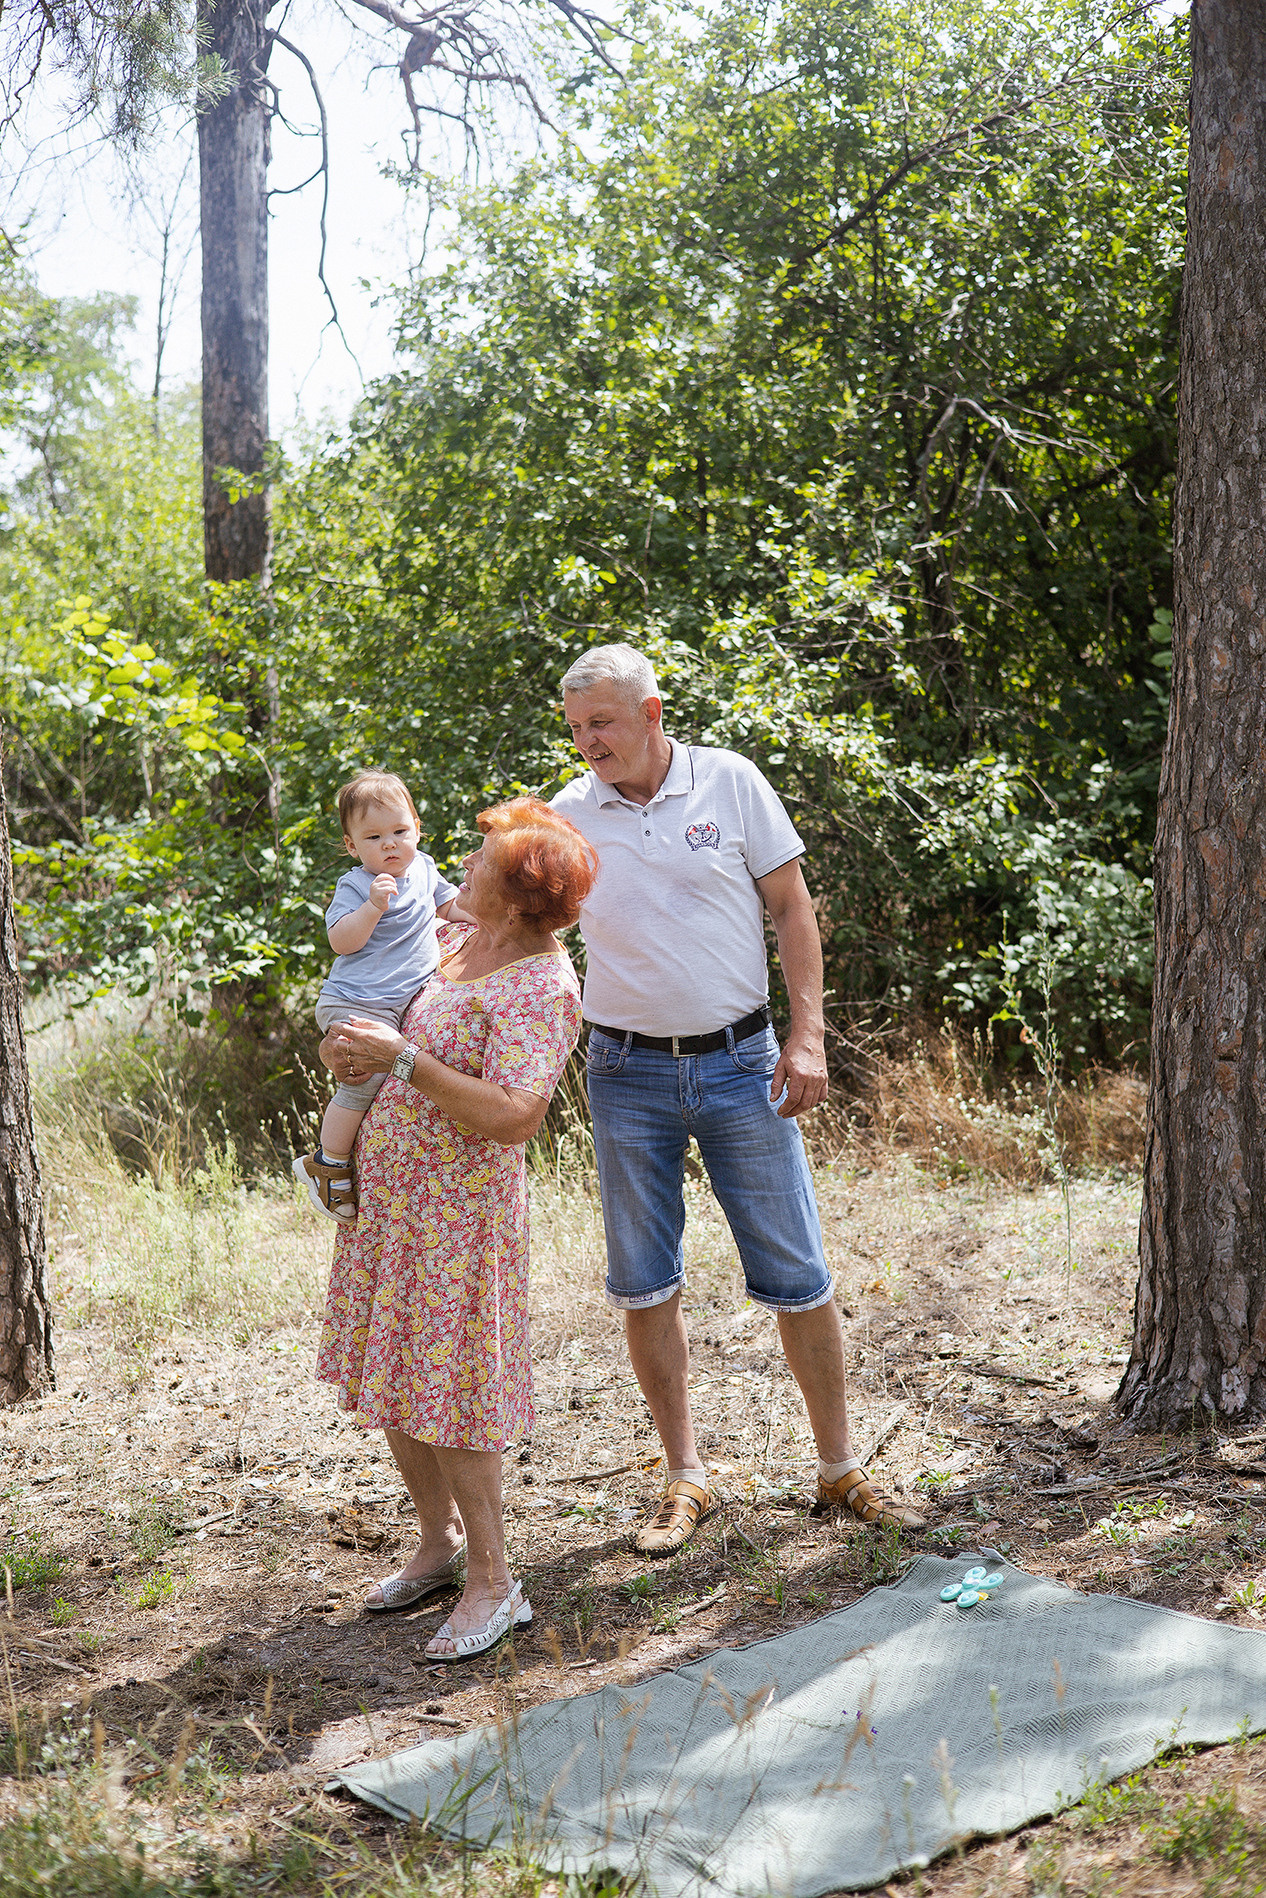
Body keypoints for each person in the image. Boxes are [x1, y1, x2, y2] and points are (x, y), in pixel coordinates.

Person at [551, 643, 924, 1554]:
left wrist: (808, 1036)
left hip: (741, 1062)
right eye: (575, 728)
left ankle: (837, 1470)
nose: (588, 742)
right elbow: (518, 923)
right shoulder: (564, 816)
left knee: (798, 1276)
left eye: (601, 722)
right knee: (644, 1285)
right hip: (624, 1072)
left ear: (650, 711)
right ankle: (685, 1479)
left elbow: (792, 909)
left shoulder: (731, 783)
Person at [315, 797, 595, 1659]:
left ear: (517, 898)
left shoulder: (543, 985)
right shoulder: (456, 944)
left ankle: (494, 1581)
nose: (458, 869)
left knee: (458, 1396)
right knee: (398, 1373)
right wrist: (354, 1052)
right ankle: (437, 1549)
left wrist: (403, 1059)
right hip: (393, 1208)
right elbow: (386, 1020)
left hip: (458, 1222)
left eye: (479, 866)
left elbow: (515, 1116)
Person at [293, 771, 459, 1222]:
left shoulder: (424, 868)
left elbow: (450, 906)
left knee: (390, 1081)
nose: (390, 844)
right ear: (352, 847)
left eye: (400, 832)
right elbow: (340, 941)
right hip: (356, 1000)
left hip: (392, 1006)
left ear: (417, 828)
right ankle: (327, 1162)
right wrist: (371, 907)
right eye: (374, 837)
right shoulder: (355, 885)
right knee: (362, 1082)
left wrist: (497, 913)